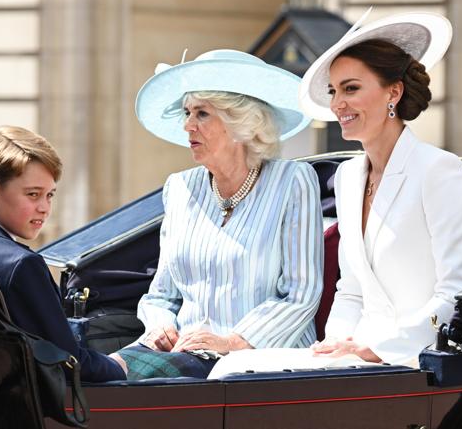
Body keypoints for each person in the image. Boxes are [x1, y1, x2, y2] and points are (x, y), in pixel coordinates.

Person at [122, 49, 324, 379]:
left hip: (263, 360)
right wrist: (160, 327)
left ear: (241, 123)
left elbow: (301, 294)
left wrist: (232, 341)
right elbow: (162, 295)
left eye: (201, 114)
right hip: (184, 353)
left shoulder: (293, 182)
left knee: (124, 385)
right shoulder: (180, 188)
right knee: (96, 374)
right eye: (187, 112)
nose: (187, 125)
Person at [299, 12, 462, 366]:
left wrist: (378, 350)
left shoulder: (439, 169)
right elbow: (350, 290)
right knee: (231, 371)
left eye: (351, 89)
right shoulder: (348, 177)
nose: (337, 104)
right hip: (352, 357)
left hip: (412, 358)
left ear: (393, 92)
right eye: (334, 91)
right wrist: (334, 345)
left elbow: (454, 293)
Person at [0, 125, 126, 381]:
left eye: (49, 195)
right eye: (33, 194)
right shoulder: (21, 264)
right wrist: (119, 365)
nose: (44, 208)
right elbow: (69, 363)